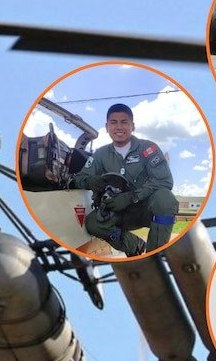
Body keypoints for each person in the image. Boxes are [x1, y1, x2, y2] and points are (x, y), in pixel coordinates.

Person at [71, 104, 178, 256]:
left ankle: (155, 255)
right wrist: (91, 181)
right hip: (118, 212)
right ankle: (135, 246)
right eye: (113, 122)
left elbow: (165, 181)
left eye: (124, 122)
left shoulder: (148, 149)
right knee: (93, 223)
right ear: (107, 127)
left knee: (165, 199)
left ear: (132, 126)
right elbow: (79, 178)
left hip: (146, 209)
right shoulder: (101, 154)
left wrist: (131, 197)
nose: (119, 127)